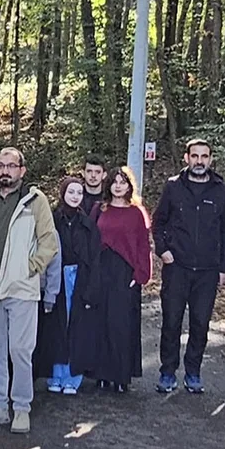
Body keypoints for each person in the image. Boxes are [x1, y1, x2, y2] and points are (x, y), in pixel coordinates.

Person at [0, 147, 59, 434]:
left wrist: (31, 268)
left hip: (21, 289)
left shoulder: (35, 201)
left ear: (22, 170)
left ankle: (21, 407)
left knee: (20, 350)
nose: (5, 170)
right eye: (1, 165)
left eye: (11, 165)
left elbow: (49, 241)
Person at [152, 138, 225, 394]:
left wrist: (223, 267)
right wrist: (163, 250)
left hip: (207, 271)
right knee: (172, 321)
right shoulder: (174, 187)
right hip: (177, 268)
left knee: (200, 323)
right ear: (186, 158)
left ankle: (193, 372)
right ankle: (167, 372)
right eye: (195, 156)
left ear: (211, 159)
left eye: (204, 156)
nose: (199, 161)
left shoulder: (221, 190)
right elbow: (158, 222)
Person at [78, 167, 152, 393]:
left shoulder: (137, 212)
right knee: (100, 323)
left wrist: (140, 274)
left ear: (130, 186)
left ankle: (121, 375)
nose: (118, 186)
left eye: (123, 182)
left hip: (124, 273)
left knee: (121, 325)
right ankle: (101, 374)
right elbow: (89, 240)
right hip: (102, 269)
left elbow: (142, 245)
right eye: (115, 182)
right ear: (108, 185)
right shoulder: (100, 210)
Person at [32, 177, 101, 396]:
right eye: (71, 192)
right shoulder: (52, 220)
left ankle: (72, 376)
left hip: (78, 278)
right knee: (55, 327)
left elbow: (94, 259)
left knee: (76, 328)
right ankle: (55, 375)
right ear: (63, 193)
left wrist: (90, 289)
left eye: (79, 193)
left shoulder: (88, 224)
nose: (74, 196)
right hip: (55, 278)